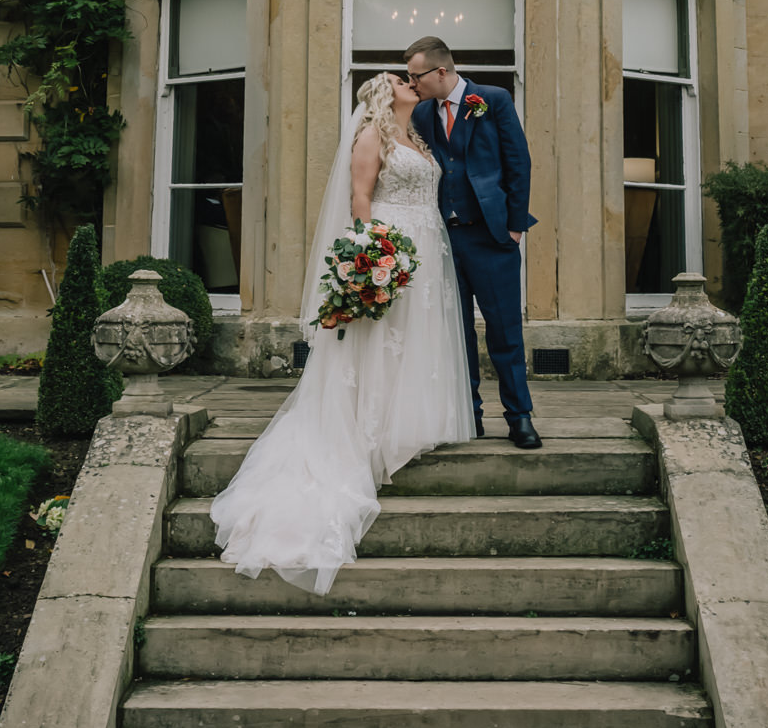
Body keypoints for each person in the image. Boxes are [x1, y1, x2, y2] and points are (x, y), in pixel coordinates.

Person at [209, 70, 476, 593]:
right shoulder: (371, 136)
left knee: (416, 339)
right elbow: (360, 200)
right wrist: (375, 254)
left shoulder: (417, 136)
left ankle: (408, 423)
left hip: (429, 249)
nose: (410, 83)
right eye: (401, 79)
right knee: (382, 339)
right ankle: (369, 432)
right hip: (393, 244)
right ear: (384, 94)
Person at [405, 35, 542, 450]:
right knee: (455, 333)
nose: (412, 84)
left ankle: (519, 418)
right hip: (443, 239)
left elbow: (518, 161)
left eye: (417, 76)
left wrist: (515, 226)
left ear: (441, 71)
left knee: (504, 331)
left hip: (491, 234)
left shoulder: (493, 99)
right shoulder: (423, 113)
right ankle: (471, 415)